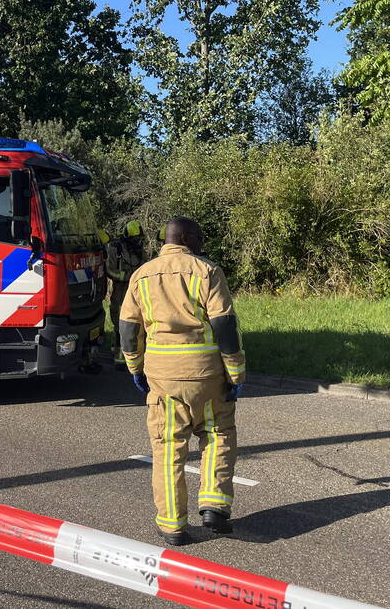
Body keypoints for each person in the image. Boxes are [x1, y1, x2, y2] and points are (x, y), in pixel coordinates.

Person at [119, 217, 246, 545]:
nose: (203, 243)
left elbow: (129, 330)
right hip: (206, 374)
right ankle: (215, 505)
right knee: (217, 434)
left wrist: (135, 368)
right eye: (200, 237)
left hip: (161, 379)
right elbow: (225, 327)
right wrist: (236, 373)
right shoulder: (207, 271)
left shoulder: (140, 275)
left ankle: (173, 525)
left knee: (167, 447)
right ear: (187, 237)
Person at [106, 221, 146, 369]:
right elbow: (109, 270)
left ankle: (130, 355)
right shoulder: (115, 250)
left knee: (137, 325)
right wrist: (127, 276)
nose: (138, 242)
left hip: (137, 294)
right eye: (135, 239)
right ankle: (119, 359)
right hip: (120, 294)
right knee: (120, 325)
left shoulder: (140, 252)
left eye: (140, 239)